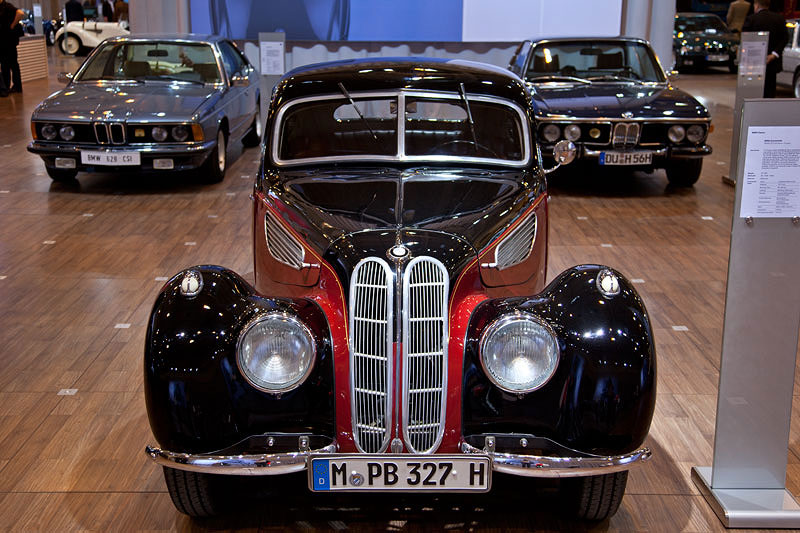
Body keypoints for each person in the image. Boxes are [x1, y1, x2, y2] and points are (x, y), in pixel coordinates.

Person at [743, 0, 788, 97]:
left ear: (757, 5)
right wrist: (773, 54)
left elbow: (745, 40)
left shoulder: (751, 19)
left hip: (754, 64)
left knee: (753, 93)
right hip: (772, 64)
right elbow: (785, 39)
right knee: (770, 92)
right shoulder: (779, 19)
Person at [0, 0, 24, 94]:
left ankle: (7, 87)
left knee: (7, 65)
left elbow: (20, 13)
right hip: (8, 40)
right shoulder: (7, 7)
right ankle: (16, 87)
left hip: (6, 40)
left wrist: (12, 25)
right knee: (12, 64)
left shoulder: (6, 6)